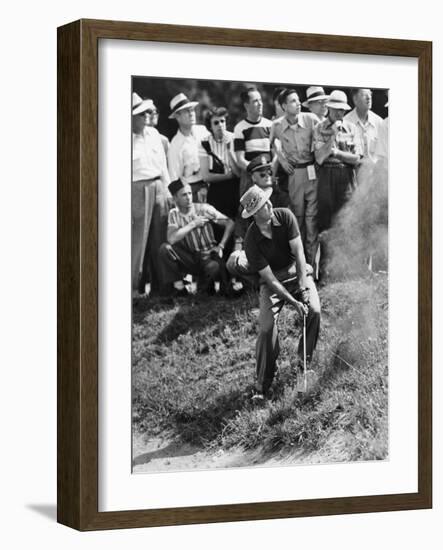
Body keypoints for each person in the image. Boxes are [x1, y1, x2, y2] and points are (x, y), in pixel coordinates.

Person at [229, 185, 321, 400]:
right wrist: (294, 302)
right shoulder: (251, 240)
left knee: (314, 311)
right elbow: (269, 279)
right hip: (272, 283)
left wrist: (303, 287)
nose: (270, 205)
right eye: (263, 205)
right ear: (254, 214)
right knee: (266, 328)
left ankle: (303, 366)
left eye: (267, 201)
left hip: (297, 271)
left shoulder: (285, 216)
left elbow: (299, 255)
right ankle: (263, 385)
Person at [313, 90, 361, 278]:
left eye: (342, 110)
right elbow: (319, 158)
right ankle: (324, 271)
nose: (340, 114)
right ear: (329, 108)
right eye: (336, 110)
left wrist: (337, 153)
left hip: (346, 177)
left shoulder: (352, 128)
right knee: (325, 222)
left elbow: (356, 158)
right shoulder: (319, 128)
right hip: (325, 178)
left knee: (346, 221)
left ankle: (345, 271)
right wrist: (332, 136)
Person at [159, 179, 235, 296]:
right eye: (184, 195)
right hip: (190, 257)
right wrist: (193, 224)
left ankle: (206, 288)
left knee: (213, 268)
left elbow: (230, 223)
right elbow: (171, 238)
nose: (189, 197)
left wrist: (221, 245)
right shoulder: (174, 213)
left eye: (189, 193)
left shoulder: (203, 209)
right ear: (175, 198)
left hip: (208, 255)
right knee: (165, 249)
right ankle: (180, 289)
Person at [271, 89, 319, 268]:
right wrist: (282, 161)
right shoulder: (276, 126)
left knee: (312, 220)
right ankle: (300, 267)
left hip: (312, 172)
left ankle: (313, 268)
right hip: (294, 175)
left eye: (298, 100)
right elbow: (272, 146)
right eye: (293, 101)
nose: (298, 103)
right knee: (297, 220)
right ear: (283, 106)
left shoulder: (311, 119)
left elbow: (323, 140)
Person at [132, 92, 170, 295]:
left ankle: (162, 287)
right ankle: (134, 289)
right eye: (140, 114)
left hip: (159, 187)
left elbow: (163, 166)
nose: (145, 117)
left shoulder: (154, 134)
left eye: (146, 112)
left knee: (160, 237)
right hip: (136, 189)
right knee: (138, 240)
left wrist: (169, 190)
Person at [233, 86, 273, 247]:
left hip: (270, 176)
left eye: (260, 100)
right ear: (246, 105)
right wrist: (256, 172)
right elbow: (239, 159)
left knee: (270, 212)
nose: (260, 104)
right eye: (255, 101)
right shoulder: (240, 128)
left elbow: (276, 152)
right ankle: (245, 249)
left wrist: (268, 172)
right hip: (250, 178)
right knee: (247, 216)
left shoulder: (270, 125)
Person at [199, 107, 240, 221]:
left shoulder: (234, 138)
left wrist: (229, 150)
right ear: (210, 126)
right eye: (216, 123)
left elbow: (238, 173)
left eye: (222, 121)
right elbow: (206, 176)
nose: (220, 125)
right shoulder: (205, 143)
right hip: (216, 191)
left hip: (235, 190)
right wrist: (228, 176)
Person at [167, 92, 209, 202]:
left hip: (212, 183)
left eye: (192, 110)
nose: (191, 114)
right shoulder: (175, 145)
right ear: (177, 116)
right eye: (186, 111)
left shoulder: (203, 131)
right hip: (192, 190)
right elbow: (175, 177)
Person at [344, 88, 384, 183]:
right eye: (364, 95)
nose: (369, 98)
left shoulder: (379, 122)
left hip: (375, 176)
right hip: (353, 177)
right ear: (355, 99)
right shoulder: (346, 122)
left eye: (370, 95)